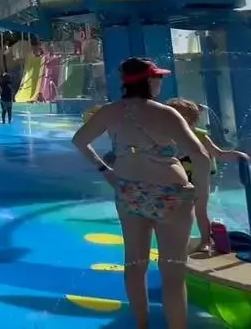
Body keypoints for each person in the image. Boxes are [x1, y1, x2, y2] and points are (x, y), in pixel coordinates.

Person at [71, 58, 212, 329]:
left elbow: (79, 141)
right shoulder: (166, 114)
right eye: (157, 77)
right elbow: (200, 156)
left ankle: (142, 324)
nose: (160, 81)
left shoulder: (109, 112)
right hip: (171, 193)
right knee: (172, 273)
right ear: (148, 81)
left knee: (135, 265)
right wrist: (201, 196)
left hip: (129, 191)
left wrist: (106, 172)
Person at [167, 97, 249, 254]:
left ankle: (206, 241)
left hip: (198, 180)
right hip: (179, 180)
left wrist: (237, 155)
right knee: (179, 212)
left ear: (191, 120)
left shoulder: (200, 136)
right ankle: (181, 240)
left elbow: (218, 153)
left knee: (200, 211)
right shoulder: (169, 137)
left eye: (179, 118)